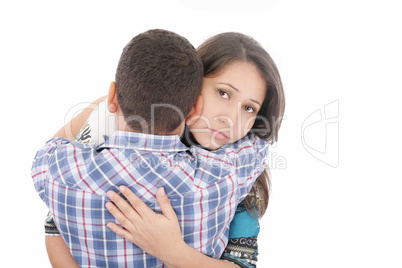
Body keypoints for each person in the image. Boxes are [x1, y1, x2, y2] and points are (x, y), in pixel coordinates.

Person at [32, 30, 278, 267]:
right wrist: (99, 111)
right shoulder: (107, 128)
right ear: (192, 86)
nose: (231, 118)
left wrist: (175, 252)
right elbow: (57, 221)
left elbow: (242, 264)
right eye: (223, 93)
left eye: (249, 108)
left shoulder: (241, 177)